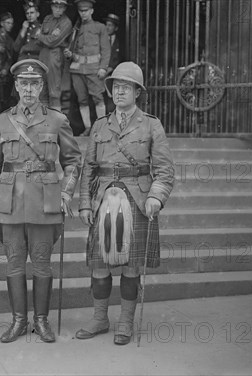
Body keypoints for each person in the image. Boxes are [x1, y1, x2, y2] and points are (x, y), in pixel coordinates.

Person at [75, 62, 174, 345]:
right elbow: (89, 168)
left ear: (137, 92)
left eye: (126, 87)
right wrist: (84, 203)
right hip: (103, 199)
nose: (119, 92)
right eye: (116, 87)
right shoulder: (99, 125)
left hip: (137, 199)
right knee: (99, 265)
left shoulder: (152, 124)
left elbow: (165, 170)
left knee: (131, 267)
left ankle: (126, 322)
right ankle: (99, 318)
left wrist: (156, 196)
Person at [0, 59, 82, 343]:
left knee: (42, 264)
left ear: (41, 86)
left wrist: (66, 192)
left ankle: (41, 320)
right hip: (10, 203)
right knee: (14, 263)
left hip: (46, 202)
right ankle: (18, 321)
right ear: (16, 86)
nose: (28, 89)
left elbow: (74, 162)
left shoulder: (57, 120)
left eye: (34, 84)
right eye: (23, 84)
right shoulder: (1, 121)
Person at [64, 0, 110, 136]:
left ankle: (101, 128)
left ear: (91, 11)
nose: (83, 13)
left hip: (94, 69)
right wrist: (69, 54)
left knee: (98, 98)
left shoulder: (100, 27)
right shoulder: (75, 29)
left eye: (86, 11)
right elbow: (70, 50)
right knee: (82, 100)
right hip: (77, 69)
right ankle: (88, 128)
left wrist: (103, 68)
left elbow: (106, 50)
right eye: (81, 11)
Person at [36, 0, 73, 111]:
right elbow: (43, 42)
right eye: (55, 6)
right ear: (51, 6)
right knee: (41, 89)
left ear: (65, 8)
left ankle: (56, 122)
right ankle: (44, 119)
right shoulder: (47, 19)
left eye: (60, 7)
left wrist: (41, 36)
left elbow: (52, 42)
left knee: (54, 91)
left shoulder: (66, 22)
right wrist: (46, 38)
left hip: (55, 56)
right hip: (43, 55)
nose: (57, 9)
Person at [13, 1, 47, 104]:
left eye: (32, 13)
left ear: (38, 14)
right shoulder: (25, 28)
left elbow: (39, 47)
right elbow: (15, 48)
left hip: (36, 63)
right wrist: (23, 30)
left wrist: (24, 49)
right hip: (23, 63)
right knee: (21, 91)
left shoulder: (42, 28)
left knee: (37, 92)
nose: (29, 15)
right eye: (27, 13)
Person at [104, 13, 122, 113]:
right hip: (101, 74)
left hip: (114, 74)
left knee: (113, 99)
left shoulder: (120, 42)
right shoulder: (100, 40)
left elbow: (121, 58)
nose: (107, 27)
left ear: (116, 28)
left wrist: (112, 68)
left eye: (110, 25)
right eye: (106, 25)